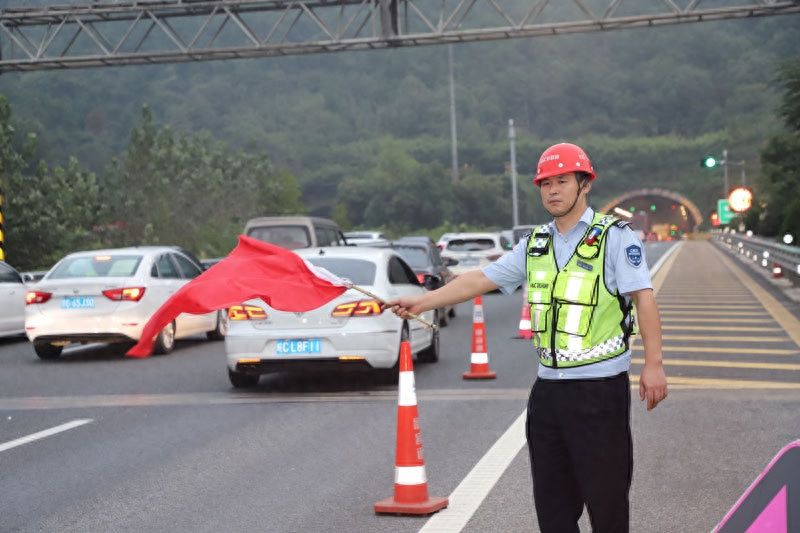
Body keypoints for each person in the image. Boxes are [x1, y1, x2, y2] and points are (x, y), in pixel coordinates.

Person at [385, 142, 667, 532]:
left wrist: (654, 365)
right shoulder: (535, 244)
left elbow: (643, 299)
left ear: (584, 184)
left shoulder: (616, 237)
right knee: (553, 512)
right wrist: (422, 301)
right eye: (545, 183)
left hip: (599, 392)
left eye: (562, 181)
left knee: (608, 509)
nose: (552, 190)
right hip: (548, 394)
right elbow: (480, 279)